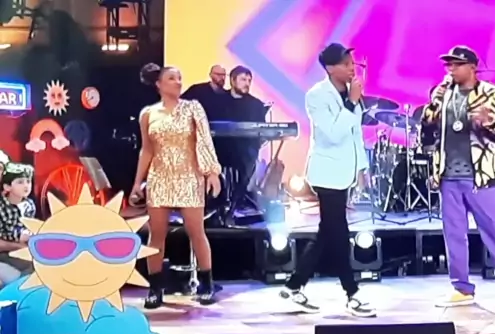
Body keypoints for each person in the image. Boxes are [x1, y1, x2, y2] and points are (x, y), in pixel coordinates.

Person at [421, 46, 495, 310]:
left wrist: (488, 121)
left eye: (456, 65)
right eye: (448, 65)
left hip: (481, 176)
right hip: (449, 175)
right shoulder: (442, 94)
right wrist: (434, 103)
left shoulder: (492, 94)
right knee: (454, 235)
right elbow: (427, 125)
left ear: (472, 67)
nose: (451, 70)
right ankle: (461, 288)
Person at [278, 43, 375, 318]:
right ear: (331, 68)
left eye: (352, 63)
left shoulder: (350, 92)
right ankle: (352, 293)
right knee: (339, 232)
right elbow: (333, 133)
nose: (352, 68)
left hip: (345, 172)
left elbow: (354, 134)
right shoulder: (317, 95)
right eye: (346, 64)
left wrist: (362, 168)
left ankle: (294, 286)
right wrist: (352, 103)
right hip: (327, 173)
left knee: (327, 233)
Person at [133, 63, 223, 309]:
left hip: (189, 176)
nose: (178, 82)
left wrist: (212, 172)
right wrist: (137, 183)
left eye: (180, 78)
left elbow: (204, 141)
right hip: (160, 177)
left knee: (196, 232)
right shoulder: (148, 114)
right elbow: (146, 150)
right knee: (156, 235)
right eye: (172, 78)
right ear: (159, 84)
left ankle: (207, 284)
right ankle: (155, 288)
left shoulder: (193, 108)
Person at [219, 65, 267, 221]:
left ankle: (235, 203)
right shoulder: (219, 99)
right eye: (243, 79)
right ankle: (218, 201)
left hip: (245, 149)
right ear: (232, 81)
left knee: (249, 158)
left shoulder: (256, 105)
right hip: (220, 147)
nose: (247, 83)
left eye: (249, 80)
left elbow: (262, 130)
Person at [0, 162, 35, 284]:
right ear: (7, 187)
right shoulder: (2, 207)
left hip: (23, 246)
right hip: (6, 253)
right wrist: (19, 238)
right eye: (20, 182)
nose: (26, 186)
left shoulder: (29, 205)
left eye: (28, 182)